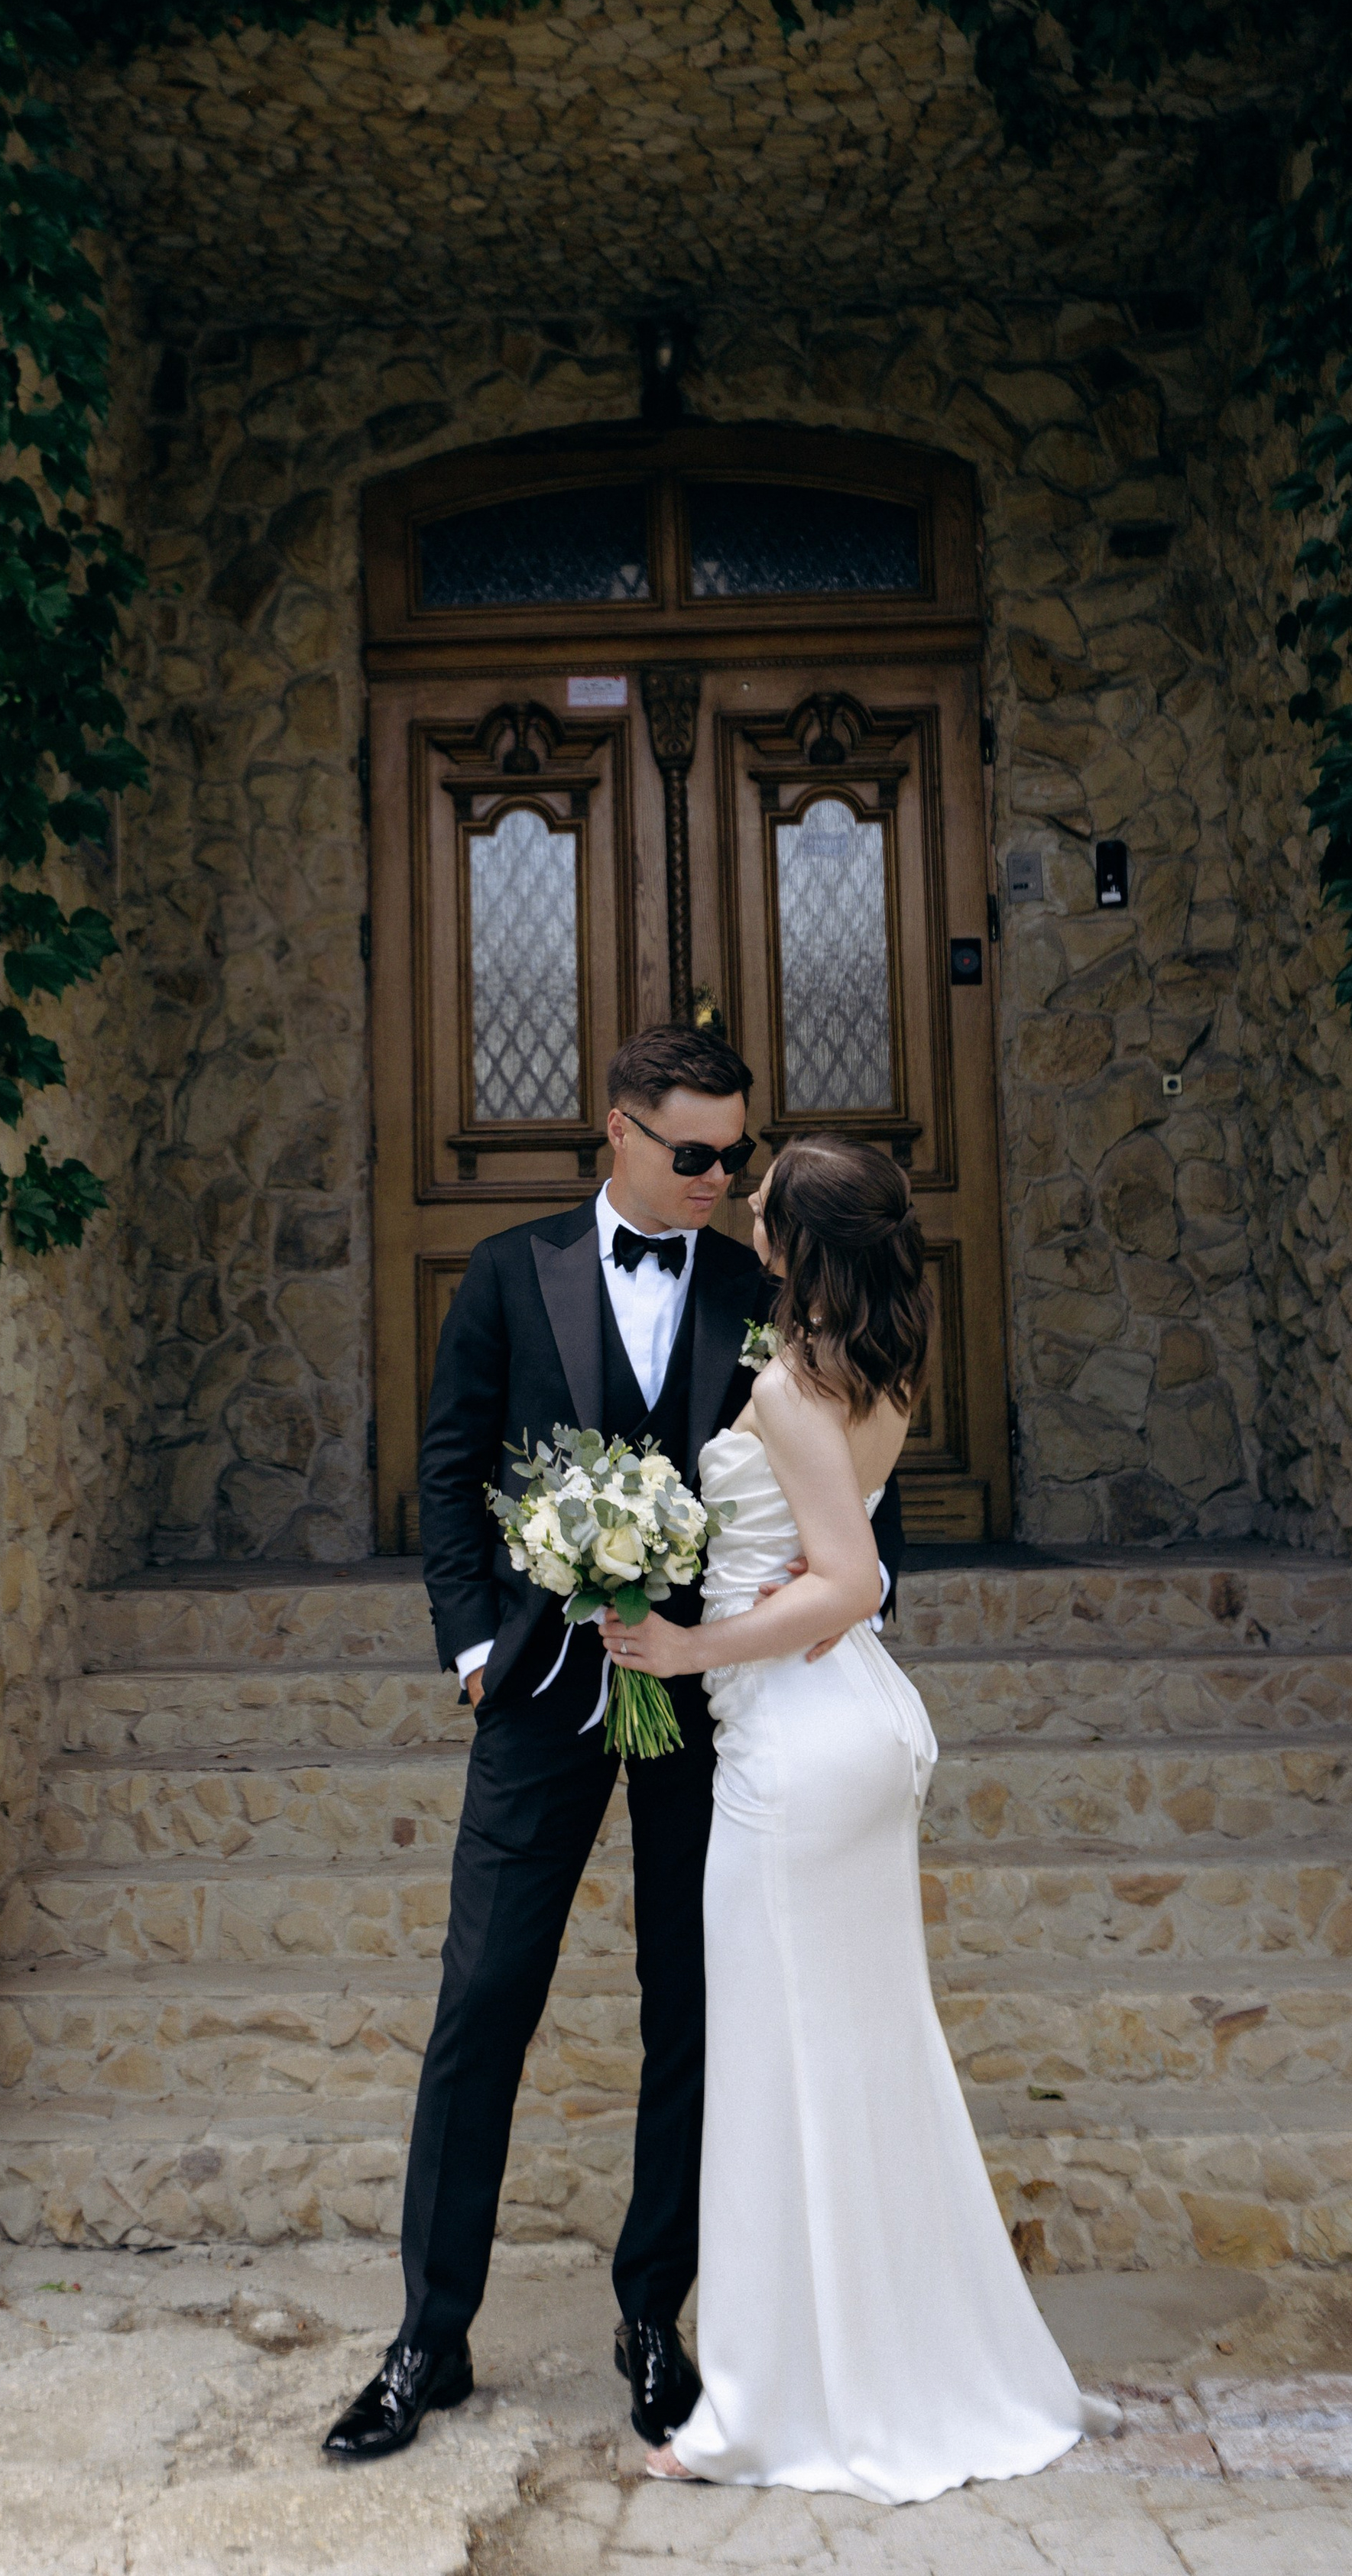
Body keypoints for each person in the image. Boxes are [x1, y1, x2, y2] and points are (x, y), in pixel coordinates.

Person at [323, 1030, 907, 2461]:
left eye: (735, 1154)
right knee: (481, 2008)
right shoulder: (510, 1272)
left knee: (691, 2015)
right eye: (693, 1151)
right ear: (620, 1135)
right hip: (534, 1704)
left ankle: (657, 2316)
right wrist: (473, 1647)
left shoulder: (762, 1288)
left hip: (707, 1717)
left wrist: (824, 1608)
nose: (719, 1177)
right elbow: (451, 1466)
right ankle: (428, 2335)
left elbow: (849, 1467)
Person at [601, 1135, 1119, 2504]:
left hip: (800, 1752)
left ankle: (771, 2411)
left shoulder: (785, 1386)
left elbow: (850, 1582)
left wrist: (675, 1649)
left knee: (779, 2075)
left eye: (766, 1206)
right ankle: (906, 2359)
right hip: (853, 1737)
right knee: (868, 2060)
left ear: (800, 1245)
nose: (748, 1212)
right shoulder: (874, 1369)